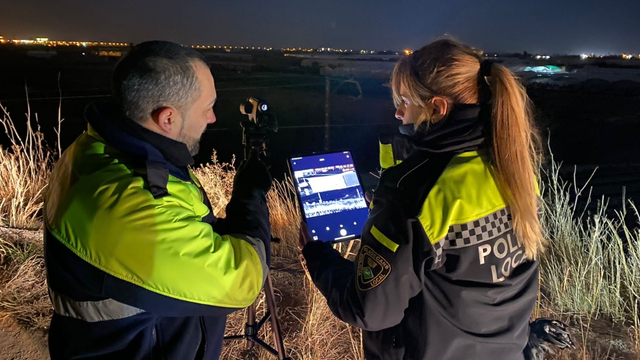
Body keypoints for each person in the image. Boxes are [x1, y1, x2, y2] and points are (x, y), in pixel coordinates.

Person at [300, 39, 571, 360]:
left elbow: (369, 311)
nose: (398, 112)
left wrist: (317, 256)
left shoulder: (413, 190)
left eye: (404, 101)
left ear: (438, 108)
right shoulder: (514, 169)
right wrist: (391, 219)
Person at [44, 41, 273, 360]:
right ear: (167, 118)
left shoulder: (98, 150)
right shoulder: (133, 206)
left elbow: (178, 227)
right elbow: (242, 281)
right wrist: (250, 198)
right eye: (207, 106)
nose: (212, 118)